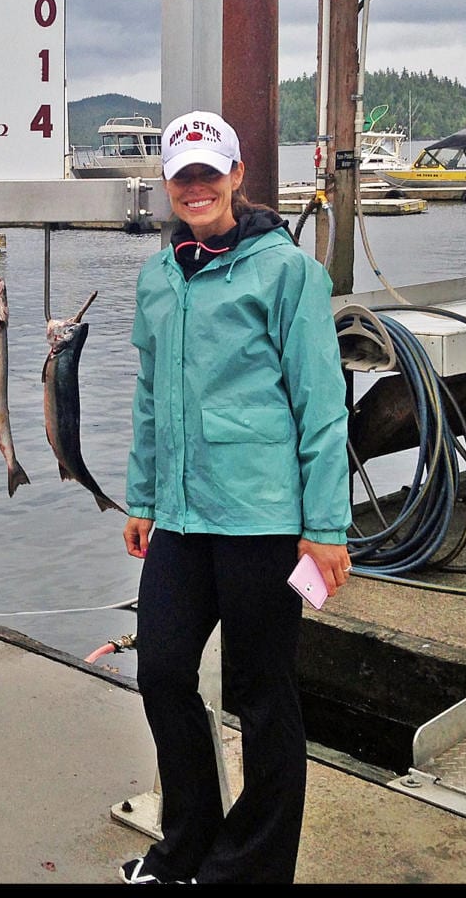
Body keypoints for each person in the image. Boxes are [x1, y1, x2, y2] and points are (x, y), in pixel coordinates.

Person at [119, 111, 352, 884]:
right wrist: (141, 496)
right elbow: (150, 396)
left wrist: (325, 526)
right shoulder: (156, 278)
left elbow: (320, 403)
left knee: (262, 696)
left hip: (263, 520)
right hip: (181, 520)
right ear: (166, 183)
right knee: (160, 673)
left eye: (208, 174)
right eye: (182, 176)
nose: (196, 188)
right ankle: (185, 847)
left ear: (236, 175)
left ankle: (248, 869)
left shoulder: (285, 271)